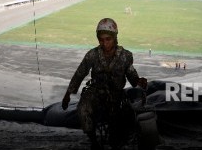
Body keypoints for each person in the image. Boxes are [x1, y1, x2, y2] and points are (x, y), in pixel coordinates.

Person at [62, 18, 147, 149]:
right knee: (83, 110)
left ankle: (116, 140)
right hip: (95, 91)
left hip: (116, 94)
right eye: (101, 39)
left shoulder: (125, 56)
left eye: (108, 39)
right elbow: (79, 74)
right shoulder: (92, 55)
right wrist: (68, 94)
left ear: (115, 38)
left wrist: (139, 81)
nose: (104, 43)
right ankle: (94, 141)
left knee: (123, 119)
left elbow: (132, 76)